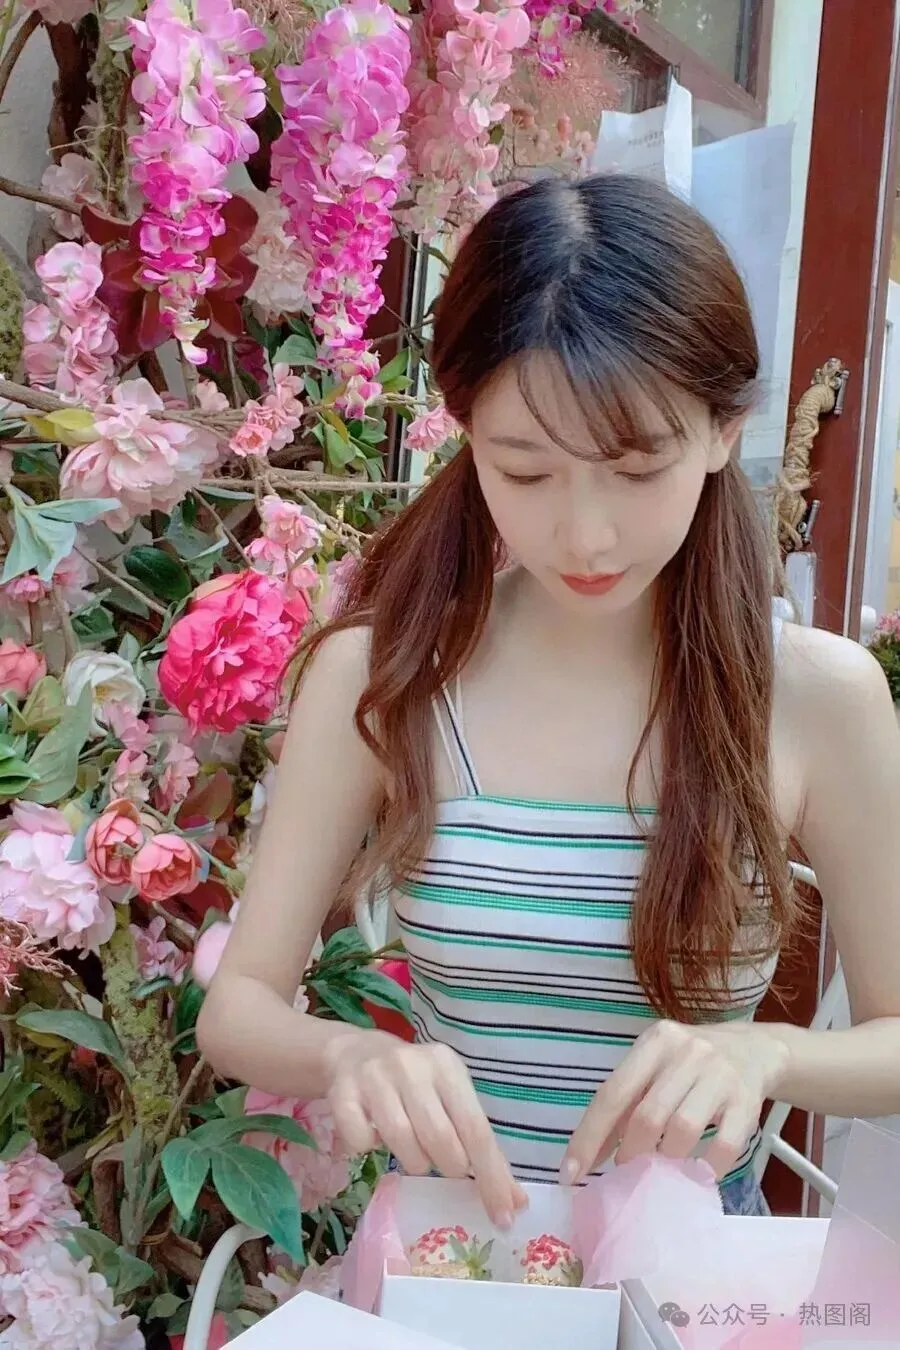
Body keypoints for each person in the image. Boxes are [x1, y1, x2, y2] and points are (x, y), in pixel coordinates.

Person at [198, 174, 900, 1225]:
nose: (586, 536)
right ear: (465, 432)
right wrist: (348, 1055)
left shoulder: (814, 697)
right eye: (525, 472)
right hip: (451, 1259)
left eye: (635, 470)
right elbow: (239, 1008)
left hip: (686, 1281)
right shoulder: (389, 675)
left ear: (722, 430)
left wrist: (767, 1054)